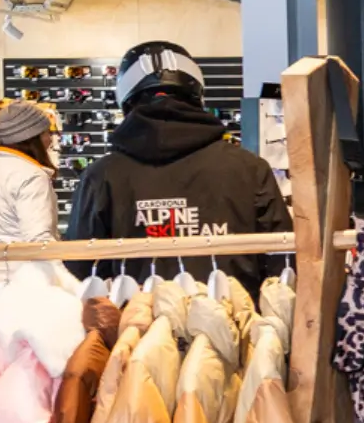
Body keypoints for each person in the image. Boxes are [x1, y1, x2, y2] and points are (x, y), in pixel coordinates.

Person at [66, 40, 288, 295]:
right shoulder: (249, 168)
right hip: (235, 315)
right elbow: (283, 261)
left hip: (136, 317)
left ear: (126, 98)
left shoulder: (101, 176)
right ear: (196, 93)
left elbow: (80, 271)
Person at [0, 99, 59, 283]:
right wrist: (62, 281)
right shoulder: (32, 176)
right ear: (32, 137)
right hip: (26, 281)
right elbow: (39, 240)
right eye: (47, 132)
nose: (50, 140)